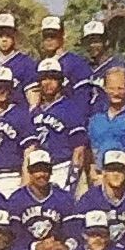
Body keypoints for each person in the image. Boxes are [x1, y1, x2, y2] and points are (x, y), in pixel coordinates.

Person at [0, 65, 39, 198]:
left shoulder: (21, 114)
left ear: (11, 88)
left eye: (6, 87)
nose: (2, 91)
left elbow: (29, 150)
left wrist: (25, 181)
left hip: (13, 176)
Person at [30, 57, 89, 193]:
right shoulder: (34, 111)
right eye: (44, 78)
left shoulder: (71, 108)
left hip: (61, 168)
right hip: (37, 170)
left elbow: (79, 149)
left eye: (53, 78)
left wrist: (72, 179)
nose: (48, 82)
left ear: (61, 81)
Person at [86, 67, 125, 185]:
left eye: (120, 88)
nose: (116, 93)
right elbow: (93, 154)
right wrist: (96, 176)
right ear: (105, 89)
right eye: (111, 88)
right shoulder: (96, 119)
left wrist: (112, 176)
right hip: (99, 180)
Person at [77, 19, 125, 113]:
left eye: (96, 41)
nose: (92, 45)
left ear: (106, 42)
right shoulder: (83, 68)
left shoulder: (119, 67)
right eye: (88, 42)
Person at [0, 13, 40, 109]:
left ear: (15, 36)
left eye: (8, 35)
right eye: (0, 36)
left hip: (19, 114)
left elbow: (33, 100)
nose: (4, 40)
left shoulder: (27, 63)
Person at [36, 15, 90, 98]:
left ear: (62, 35)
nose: (49, 39)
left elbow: (85, 94)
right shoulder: (40, 65)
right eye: (46, 36)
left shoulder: (76, 63)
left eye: (53, 35)